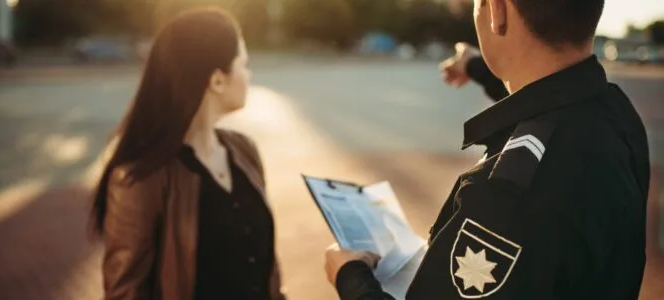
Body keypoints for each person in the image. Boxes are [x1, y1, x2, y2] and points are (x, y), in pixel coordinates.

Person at [324, 0, 651, 299]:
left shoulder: (503, 198)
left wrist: (350, 276)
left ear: (497, 10)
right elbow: (551, 102)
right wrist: (480, 68)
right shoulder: (617, 115)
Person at [88, 7, 285, 300]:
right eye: (243, 64)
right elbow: (125, 293)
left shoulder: (244, 151)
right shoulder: (142, 178)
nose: (249, 74)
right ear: (217, 81)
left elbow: (265, 273)